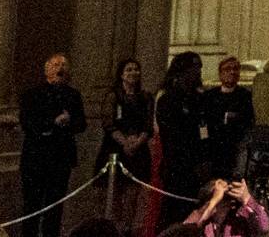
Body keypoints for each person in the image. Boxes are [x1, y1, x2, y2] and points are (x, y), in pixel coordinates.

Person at [22, 53, 90, 237]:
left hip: (61, 157)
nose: (60, 68)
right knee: (32, 205)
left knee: (55, 205)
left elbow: (82, 124)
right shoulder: (32, 94)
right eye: (56, 64)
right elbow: (28, 122)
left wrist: (69, 120)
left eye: (64, 65)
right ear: (47, 69)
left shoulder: (73, 95)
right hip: (36, 157)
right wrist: (53, 122)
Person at [154, 52, 210, 230]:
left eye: (199, 68)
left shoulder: (199, 99)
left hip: (198, 167)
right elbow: (172, 137)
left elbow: (204, 131)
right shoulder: (168, 100)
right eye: (194, 68)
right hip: (177, 167)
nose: (198, 72)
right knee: (173, 214)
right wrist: (191, 161)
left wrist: (204, 160)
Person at [99, 59, 155, 231]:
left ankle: (127, 229)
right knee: (114, 194)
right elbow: (109, 123)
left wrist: (137, 142)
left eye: (136, 69)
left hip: (138, 150)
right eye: (129, 69)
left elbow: (148, 125)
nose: (133, 73)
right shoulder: (113, 96)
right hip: (115, 149)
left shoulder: (146, 97)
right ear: (121, 74)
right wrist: (124, 142)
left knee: (133, 196)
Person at [204, 58, 255, 181]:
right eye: (227, 69)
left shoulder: (245, 96)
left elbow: (248, 121)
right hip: (214, 147)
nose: (232, 72)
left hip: (235, 147)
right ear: (220, 74)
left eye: (235, 69)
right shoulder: (210, 96)